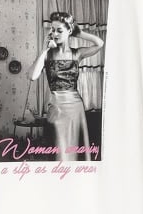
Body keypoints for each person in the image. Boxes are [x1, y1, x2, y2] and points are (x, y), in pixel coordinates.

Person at [27, 11, 104, 161]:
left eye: (59, 30)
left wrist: (79, 33)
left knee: (76, 153)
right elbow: (32, 76)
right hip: (56, 108)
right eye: (52, 30)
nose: (55, 34)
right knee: (59, 154)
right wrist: (44, 49)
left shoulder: (77, 54)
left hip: (76, 108)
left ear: (69, 31)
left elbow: (99, 43)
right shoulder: (47, 55)